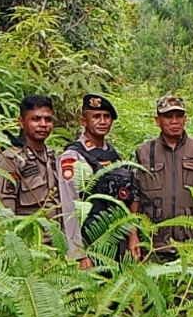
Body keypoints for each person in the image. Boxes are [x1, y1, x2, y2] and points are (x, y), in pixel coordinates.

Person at [57, 94, 136, 269]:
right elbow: (69, 206)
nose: (102, 121)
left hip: (116, 244)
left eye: (106, 117)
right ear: (84, 121)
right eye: (96, 117)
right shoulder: (73, 156)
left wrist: (131, 235)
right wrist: (78, 253)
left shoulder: (114, 156)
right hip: (89, 243)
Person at [129, 95, 193, 261]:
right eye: (168, 116)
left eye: (179, 116)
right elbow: (134, 195)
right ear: (158, 120)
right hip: (154, 244)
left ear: (185, 119)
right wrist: (133, 233)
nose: (174, 121)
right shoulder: (144, 151)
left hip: (192, 244)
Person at [0, 95, 61, 218]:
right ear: (22, 122)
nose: (43, 124)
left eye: (48, 119)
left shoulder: (52, 156)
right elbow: (4, 210)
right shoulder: (11, 159)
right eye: (36, 119)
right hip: (29, 235)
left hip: (56, 234)